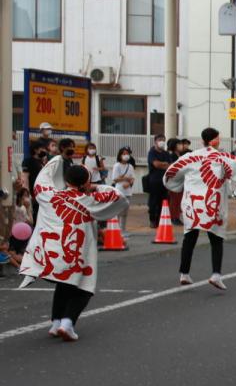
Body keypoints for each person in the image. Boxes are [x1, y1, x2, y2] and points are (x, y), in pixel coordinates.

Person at [20, 164, 129, 341]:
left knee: (63, 285)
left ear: (66, 181)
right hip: (75, 254)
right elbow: (118, 196)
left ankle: (56, 323)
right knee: (84, 288)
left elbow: (41, 180)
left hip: (50, 254)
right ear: (86, 182)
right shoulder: (90, 201)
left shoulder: (49, 195)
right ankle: (67, 323)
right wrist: (95, 186)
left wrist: (56, 160)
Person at [164, 127, 236, 289]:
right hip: (212, 202)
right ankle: (216, 274)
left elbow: (171, 173)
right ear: (215, 140)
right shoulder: (222, 157)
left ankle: (184, 273)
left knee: (189, 238)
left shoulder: (190, 157)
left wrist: (176, 186)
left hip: (193, 204)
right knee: (216, 238)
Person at [146, 135, 173, 227]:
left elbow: (170, 165)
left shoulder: (166, 153)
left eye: (163, 140)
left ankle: (160, 220)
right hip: (154, 181)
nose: (162, 141)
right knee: (153, 201)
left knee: (164, 201)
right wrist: (164, 164)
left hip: (165, 181)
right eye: (160, 140)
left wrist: (164, 164)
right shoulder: (152, 152)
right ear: (155, 141)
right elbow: (156, 164)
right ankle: (152, 220)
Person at [109, 146, 137, 232]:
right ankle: (116, 229)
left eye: (127, 154)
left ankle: (123, 229)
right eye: (124, 154)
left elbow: (133, 178)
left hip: (128, 192)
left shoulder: (130, 166)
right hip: (119, 191)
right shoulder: (117, 165)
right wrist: (126, 178)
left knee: (125, 212)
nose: (126, 155)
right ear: (120, 155)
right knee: (118, 211)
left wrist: (129, 183)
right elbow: (115, 179)